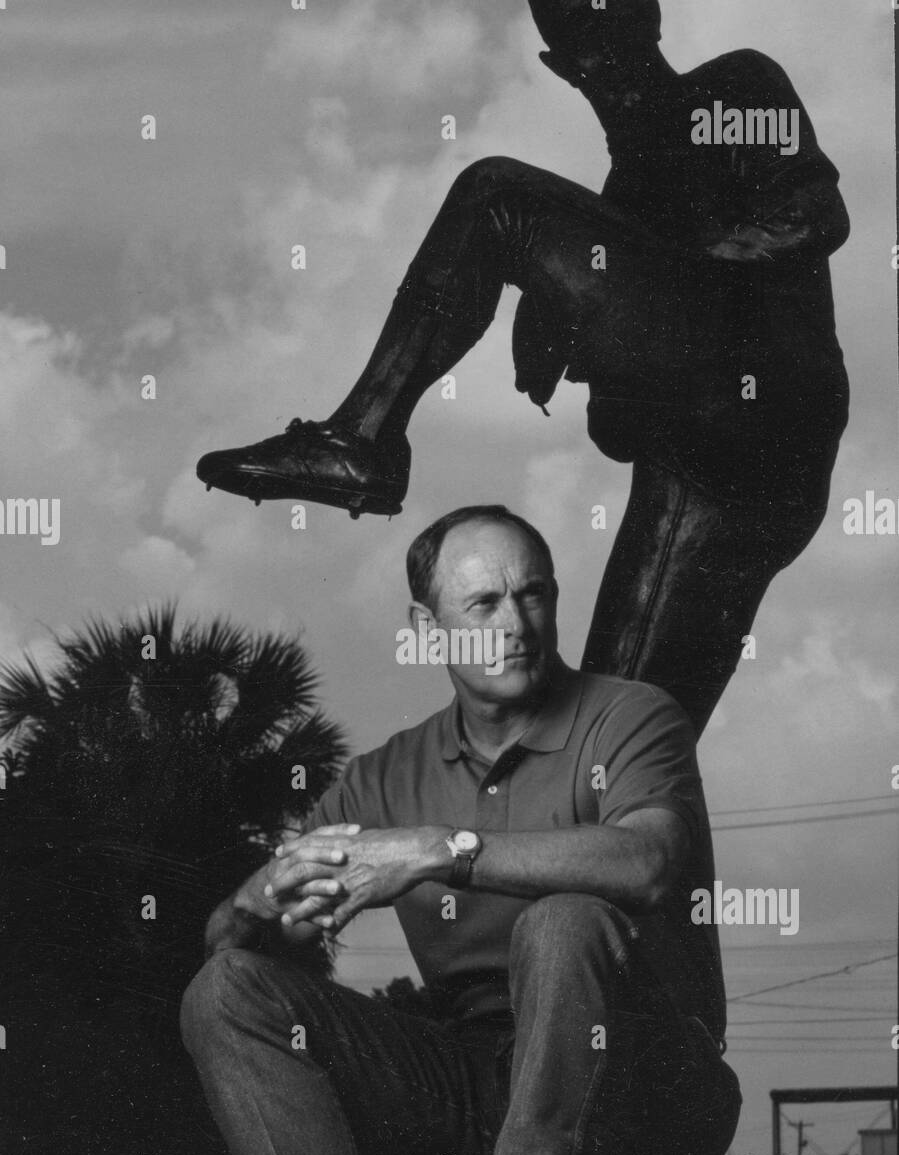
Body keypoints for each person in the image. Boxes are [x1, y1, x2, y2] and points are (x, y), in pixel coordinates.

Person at [195, 0, 849, 735]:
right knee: (611, 744)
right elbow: (619, 402)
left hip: (758, 404)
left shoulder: (728, 88)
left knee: (497, 197)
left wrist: (639, 291)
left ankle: (362, 441)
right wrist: (583, 330)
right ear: (559, 65)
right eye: (582, 49)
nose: (603, 66)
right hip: (716, 481)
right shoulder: (622, 190)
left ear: (652, 21)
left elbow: (810, 211)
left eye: (614, 35)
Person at [180, 505, 742, 1155]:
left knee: (563, 917)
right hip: (476, 1090)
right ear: (428, 624)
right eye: (483, 604)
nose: (515, 624)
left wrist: (442, 848)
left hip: (639, 1079)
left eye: (534, 595)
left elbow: (648, 860)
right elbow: (228, 940)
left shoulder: (630, 714)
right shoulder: (384, 775)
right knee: (227, 988)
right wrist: (259, 901)